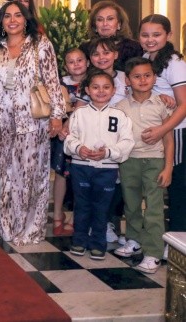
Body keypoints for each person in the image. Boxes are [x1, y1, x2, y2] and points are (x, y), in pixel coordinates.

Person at [0, 0, 65, 245]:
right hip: (2, 123)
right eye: (7, 16)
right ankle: (7, 225)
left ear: (26, 20)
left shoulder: (40, 44)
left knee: (31, 176)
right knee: (6, 175)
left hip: (33, 121)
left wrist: (57, 115)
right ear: (1, 21)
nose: (12, 20)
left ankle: (30, 228)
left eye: (18, 15)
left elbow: (52, 81)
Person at [64, 70, 134, 260]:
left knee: (101, 208)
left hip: (107, 169)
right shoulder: (79, 114)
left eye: (106, 87)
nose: (101, 91)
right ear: (87, 90)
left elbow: (127, 142)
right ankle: (79, 241)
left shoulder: (120, 115)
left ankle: (98, 243)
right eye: (95, 87)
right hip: (81, 167)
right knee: (82, 206)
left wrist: (108, 152)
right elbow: (70, 138)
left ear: (114, 90)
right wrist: (79, 148)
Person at [114, 57, 173, 273]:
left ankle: (153, 252)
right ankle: (134, 239)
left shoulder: (161, 104)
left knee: (154, 208)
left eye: (147, 75)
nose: (142, 80)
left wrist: (168, 167)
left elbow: (168, 139)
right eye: (137, 76)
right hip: (129, 161)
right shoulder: (120, 107)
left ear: (154, 78)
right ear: (127, 80)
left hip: (155, 160)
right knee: (131, 204)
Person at [137, 14, 186, 258]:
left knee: (178, 189)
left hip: (176, 131)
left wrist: (162, 130)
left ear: (168, 35)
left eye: (156, 35)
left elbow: (184, 105)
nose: (150, 39)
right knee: (160, 187)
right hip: (159, 131)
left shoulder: (174, 63)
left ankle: (177, 244)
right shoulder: (147, 58)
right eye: (145, 35)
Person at [52, 48, 88, 236]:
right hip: (63, 134)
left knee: (79, 175)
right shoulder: (60, 83)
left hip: (86, 134)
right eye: (71, 62)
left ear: (87, 62)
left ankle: (74, 217)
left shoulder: (94, 82)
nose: (76, 64)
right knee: (61, 173)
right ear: (65, 66)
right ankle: (57, 214)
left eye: (79, 60)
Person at [79, 0, 142, 72]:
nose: (105, 24)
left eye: (110, 19)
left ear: (119, 24)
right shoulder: (85, 49)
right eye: (100, 19)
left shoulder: (134, 48)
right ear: (94, 25)